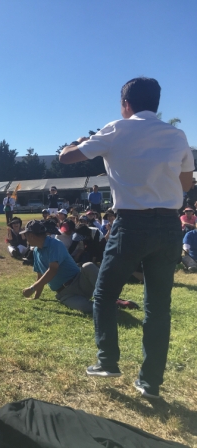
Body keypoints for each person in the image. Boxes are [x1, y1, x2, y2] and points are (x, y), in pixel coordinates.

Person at [59, 77, 193, 399]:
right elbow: (186, 184)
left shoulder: (116, 129)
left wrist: (80, 141)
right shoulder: (177, 135)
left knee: (104, 294)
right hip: (169, 225)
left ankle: (107, 360)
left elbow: (66, 157)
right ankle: (150, 383)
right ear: (156, 103)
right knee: (158, 307)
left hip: (131, 223)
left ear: (126, 104)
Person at [20, 220, 96, 315]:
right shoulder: (35, 251)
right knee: (85, 307)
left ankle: (108, 295)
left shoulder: (55, 244)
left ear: (31, 235)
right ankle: (106, 304)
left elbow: (53, 270)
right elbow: (40, 276)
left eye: (26, 235)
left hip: (80, 282)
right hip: (66, 294)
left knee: (88, 266)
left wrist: (32, 289)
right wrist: (36, 296)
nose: (25, 238)